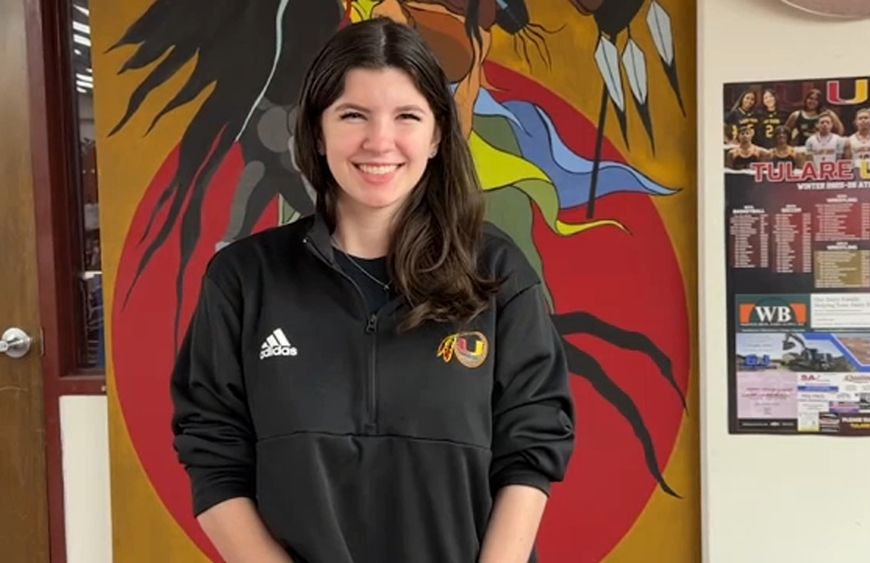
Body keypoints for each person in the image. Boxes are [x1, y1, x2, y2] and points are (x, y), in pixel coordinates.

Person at [169, 16, 576, 563]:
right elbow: (213, 456)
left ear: (437, 135)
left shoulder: (497, 274)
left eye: (407, 116)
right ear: (317, 131)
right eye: (353, 115)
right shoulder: (244, 279)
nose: (379, 141)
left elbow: (531, 449)